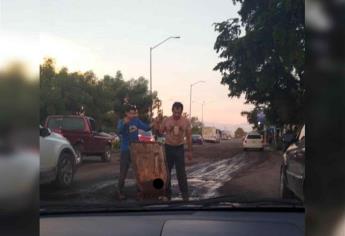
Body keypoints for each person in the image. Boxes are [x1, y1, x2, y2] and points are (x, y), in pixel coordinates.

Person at [117, 105, 152, 200]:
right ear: (126, 113)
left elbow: (146, 128)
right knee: (123, 172)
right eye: (131, 113)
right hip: (125, 150)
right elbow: (118, 131)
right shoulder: (121, 121)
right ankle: (119, 192)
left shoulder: (136, 121)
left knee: (138, 172)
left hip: (135, 150)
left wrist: (153, 124)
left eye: (134, 113)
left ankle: (139, 192)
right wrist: (124, 123)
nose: (133, 115)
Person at [159, 102, 192, 201]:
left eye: (179, 113)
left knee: (181, 172)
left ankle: (185, 195)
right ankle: (167, 193)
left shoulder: (186, 122)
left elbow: (189, 137)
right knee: (166, 172)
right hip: (168, 147)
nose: (177, 115)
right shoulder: (166, 120)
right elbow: (160, 132)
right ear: (172, 111)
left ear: (181, 112)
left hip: (179, 148)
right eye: (175, 112)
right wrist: (164, 128)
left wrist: (190, 151)